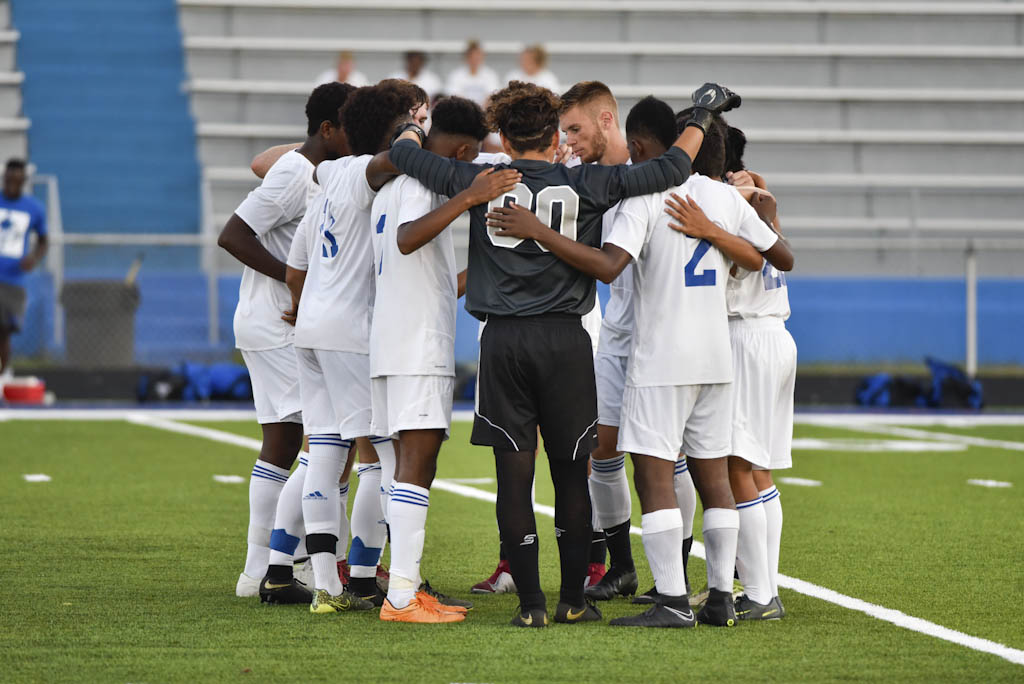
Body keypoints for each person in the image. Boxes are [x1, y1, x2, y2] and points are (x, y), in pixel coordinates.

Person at [388, 80, 737, 627]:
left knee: (514, 476)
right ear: (554, 134)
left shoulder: (476, 178)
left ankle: (530, 605)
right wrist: (699, 117)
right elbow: (670, 169)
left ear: (502, 136)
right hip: (567, 341)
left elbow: (406, 158)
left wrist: (411, 125)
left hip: (503, 341)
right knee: (573, 476)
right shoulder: (591, 182)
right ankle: (573, 599)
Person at [485, 96, 793, 628]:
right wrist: (718, 233)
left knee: (653, 476)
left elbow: (607, 267)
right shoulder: (721, 199)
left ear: (647, 147)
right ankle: (721, 597)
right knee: (713, 475)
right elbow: (772, 256)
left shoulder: (645, 196)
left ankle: (672, 600)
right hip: (717, 355)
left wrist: (539, 231)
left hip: (662, 356)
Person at [370, 95, 520, 622]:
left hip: (389, 341)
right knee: (418, 464)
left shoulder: (391, 186)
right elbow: (410, 240)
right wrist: (469, 197)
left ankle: (398, 586)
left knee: (396, 469)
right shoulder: (418, 188)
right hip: (416, 344)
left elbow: (422, 268)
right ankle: (403, 597)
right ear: (460, 152)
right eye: (469, 158)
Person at [218, 82, 353, 601]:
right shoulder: (295, 173)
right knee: (322, 442)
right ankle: (278, 565)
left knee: (284, 443)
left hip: (273, 319)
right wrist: (294, 278)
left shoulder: (311, 168)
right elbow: (233, 234)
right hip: (277, 320)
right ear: (327, 129)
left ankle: (259, 571)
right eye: (348, 125)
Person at [288, 82, 415, 614]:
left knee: (325, 448)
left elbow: (296, 265)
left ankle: (327, 588)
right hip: (350, 331)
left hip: (312, 326)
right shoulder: (365, 173)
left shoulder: (327, 172)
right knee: (385, 457)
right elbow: (397, 158)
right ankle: (384, 578)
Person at [0, 159, 46, 389]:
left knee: (4, 331)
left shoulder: (34, 208)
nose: (11, 184)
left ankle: (2, 376)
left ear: (23, 181)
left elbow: (44, 240)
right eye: (8, 178)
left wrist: (34, 258)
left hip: (12, 280)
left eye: (16, 179)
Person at [444, 40, 500, 108]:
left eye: (478, 55)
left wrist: (481, 111)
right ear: (467, 56)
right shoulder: (456, 75)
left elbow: (492, 95)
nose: (475, 58)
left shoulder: (490, 75)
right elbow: (454, 96)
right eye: (472, 55)